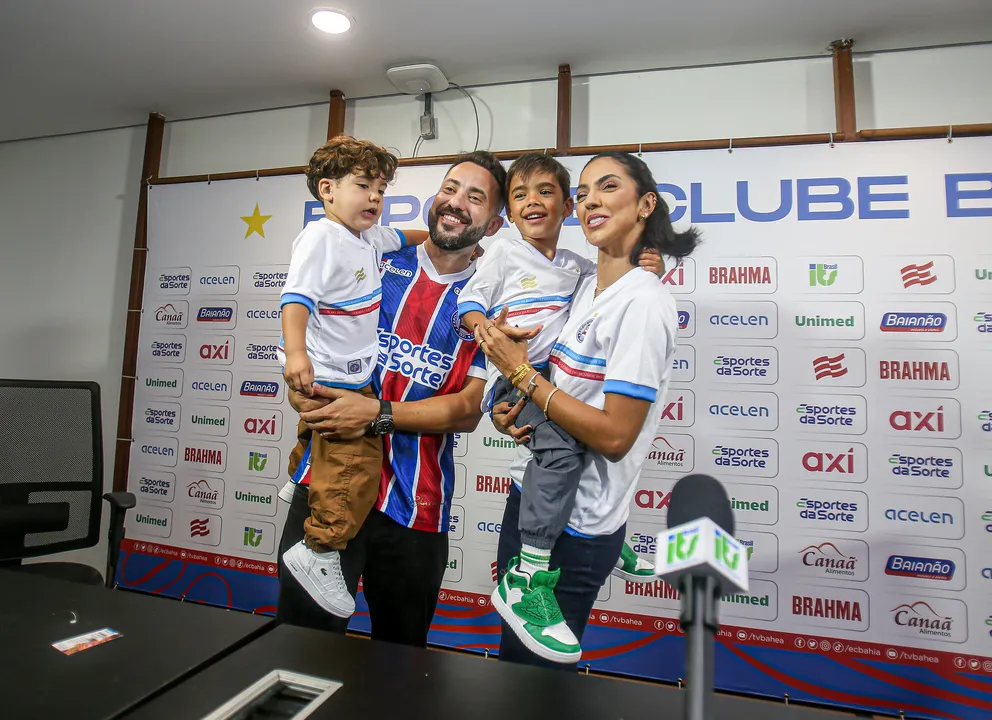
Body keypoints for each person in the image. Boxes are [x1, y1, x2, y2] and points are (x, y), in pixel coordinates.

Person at [476, 151, 700, 668]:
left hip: (577, 530)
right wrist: (510, 411)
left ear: (646, 204)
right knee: (516, 665)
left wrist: (521, 376)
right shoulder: (584, 288)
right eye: (582, 192)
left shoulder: (642, 301)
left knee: (535, 679)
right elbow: (549, 385)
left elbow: (615, 436)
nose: (590, 199)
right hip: (532, 496)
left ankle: (551, 569)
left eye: (607, 186)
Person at [275, 151, 508, 647]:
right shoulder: (369, 254)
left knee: (401, 659)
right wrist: (302, 388)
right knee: (302, 641)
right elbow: (309, 329)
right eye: (450, 188)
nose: (456, 203)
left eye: (475, 197)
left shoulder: (489, 300)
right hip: (327, 483)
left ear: (494, 224)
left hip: (416, 502)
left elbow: (467, 411)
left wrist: (377, 414)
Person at [276, 136, 429, 619]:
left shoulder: (365, 238)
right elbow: (296, 298)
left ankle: (304, 473)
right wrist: (297, 353)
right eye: (363, 186)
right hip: (325, 378)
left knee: (327, 440)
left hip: (349, 377)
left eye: (381, 189)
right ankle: (318, 550)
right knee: (356, 464)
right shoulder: (322, 238)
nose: (374, 198)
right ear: (327, 190)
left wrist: (454, 239)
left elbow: (405, 237)